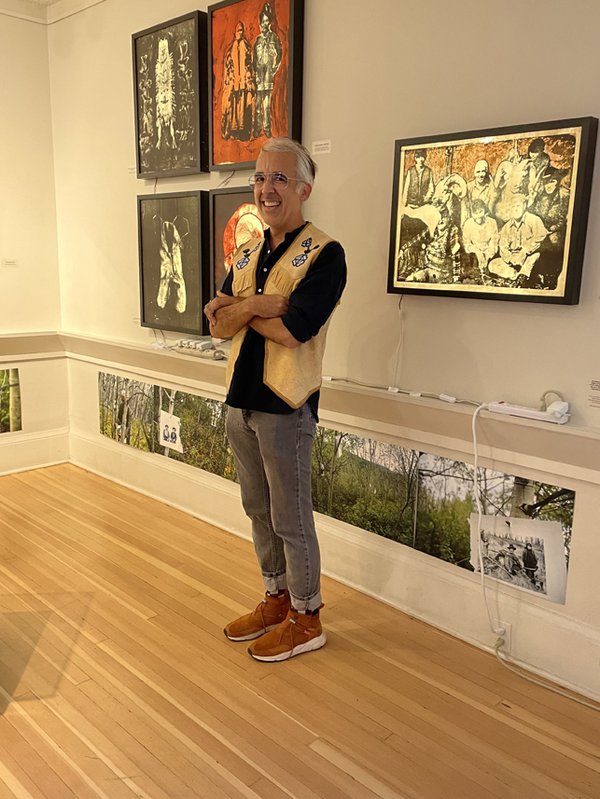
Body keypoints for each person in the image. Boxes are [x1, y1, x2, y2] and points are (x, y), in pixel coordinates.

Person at [204, 137, 346, 662]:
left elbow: (293, 332)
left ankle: (307, 617)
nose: (266, 188)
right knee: (257, 508)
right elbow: (215, 323)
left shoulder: (325, 255)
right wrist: (258, 303)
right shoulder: (248, 250)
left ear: (305, 189)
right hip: (238, 403)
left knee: (291, 516)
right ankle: (276, 596)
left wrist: (238, 309)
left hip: (285, 406)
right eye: (260, 178)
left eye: (279, 179)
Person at [488, 193, 547, 286]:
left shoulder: (534, 220)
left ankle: (523, 276)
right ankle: (518, 276)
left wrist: (524, 251)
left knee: (534, 257)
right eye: (513, 207)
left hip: (528, 256)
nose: (515, 209)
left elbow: (541, 236)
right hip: (513, 259)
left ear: (524, 206)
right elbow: (503, 246)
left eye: (518, 206)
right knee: (492, 265)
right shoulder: (507, 227)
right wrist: (510, 259)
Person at [252, 3, 282, 138]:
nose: (264, 24)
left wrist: (275, 68)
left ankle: (267, 129)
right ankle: (257, 129)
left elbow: (280, 53)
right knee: (257, 106)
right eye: (262, 22)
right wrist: (254, 74)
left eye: (266, 21)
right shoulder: (257, 40)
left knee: (266, 106)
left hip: (268, 76)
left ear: (269, 22)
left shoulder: (274, 38)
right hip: (258, 77)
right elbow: (253, 59)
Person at [221, 21, 254, 141]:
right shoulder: (231, 49)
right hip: (233, 83)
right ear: (234, 33)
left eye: (241, 30)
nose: (239, 33)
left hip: (244, 83)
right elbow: (228, 66)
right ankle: (233, 130)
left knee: (243, 106)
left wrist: (249, 79)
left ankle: (243, 130)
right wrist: (229, 81)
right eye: (238, 30)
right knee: (234, 107)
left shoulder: (247, 47)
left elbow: (249, 64)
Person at [461, 198, 499, 283]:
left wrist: (489, 254)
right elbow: (467, 244)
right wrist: (478, 252)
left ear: (485, 210)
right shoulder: (468, 224)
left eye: (480, 212)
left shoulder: (492, 222)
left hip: (490, 253)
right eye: (475, 213)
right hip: (473, 255)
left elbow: (494, 241)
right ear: (471, 213)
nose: (478, 216)